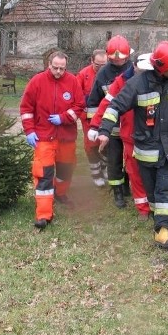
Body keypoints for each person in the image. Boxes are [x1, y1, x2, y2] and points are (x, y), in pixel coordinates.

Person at [96, 41, 168, 250]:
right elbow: (115, 106)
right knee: (153, 192)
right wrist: (104, 131)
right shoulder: (137, 84)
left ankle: (162, 230)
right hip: (147, 150)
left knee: (165, 189)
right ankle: (159, 219)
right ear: (162, 66)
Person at [20, 51, 85, 230]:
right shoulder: (37, 81)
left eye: (62, 68)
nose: (58, 71)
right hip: (43, 136)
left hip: (66, 136)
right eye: (55, 68)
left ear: (66, 66)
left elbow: (79, 105)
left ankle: (61, 194)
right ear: (49, 64)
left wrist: (63, 117)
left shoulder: (72, 81)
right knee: (44, 174)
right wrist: (29, 131)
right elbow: (26, 108)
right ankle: (43, 214)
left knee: (66, 170)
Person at [88, 53, 152, 219]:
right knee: (132, 169)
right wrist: (96, 126)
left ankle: (153, 203)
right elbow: (107, 103)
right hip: (130, 133)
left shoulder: (157, 78)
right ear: (135, 67)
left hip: (152, 135)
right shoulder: (122, 81)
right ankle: (142, 208)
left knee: (152, 172)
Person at [85, 35, 133, 205]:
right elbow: (94, 102)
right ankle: (117, 192)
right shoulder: (103, 73)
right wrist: (94, 127)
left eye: (122, 59)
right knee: (114, 161)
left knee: (130, 159)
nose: (119, 62)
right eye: (115, 59)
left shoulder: (134, 70)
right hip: (111, 127)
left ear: (127, 56)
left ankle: (127, 186)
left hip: (131, 125)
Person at [77, 49, 108, 187]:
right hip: (88, 118)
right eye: (98, 65)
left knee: (107, 144)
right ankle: (96, 174)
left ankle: (105, 169)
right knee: (91, 145)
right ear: (91, 61)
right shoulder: (84, 74)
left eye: (104, 65)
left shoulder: (111, 73)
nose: (101, 68)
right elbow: (77, 96)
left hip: (107, 117)